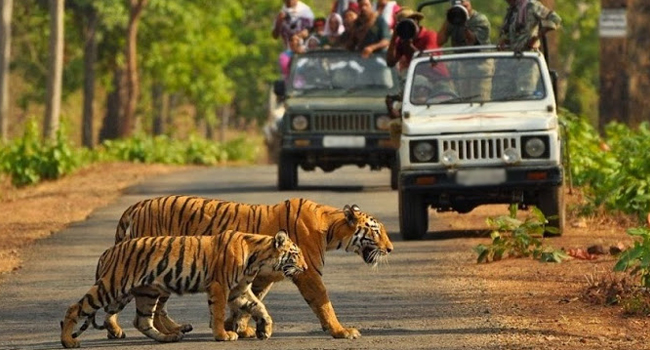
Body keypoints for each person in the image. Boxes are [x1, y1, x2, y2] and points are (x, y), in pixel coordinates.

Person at [498, 0, 561, 94]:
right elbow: (512, 33)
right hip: (511, 61)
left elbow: (555, 19)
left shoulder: (531, 5)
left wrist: (536, 38)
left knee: (525, 94)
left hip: (528, 60)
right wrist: (505, 40)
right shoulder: (512, 11)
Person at [386, 7, 438, 77]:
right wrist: (394, 36)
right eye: (403, 25)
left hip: (438, 79)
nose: (407, 27)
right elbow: (390, 62)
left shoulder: (429, 36)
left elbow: (428, 63)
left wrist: (409, 46)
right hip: (417, 81)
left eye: (409, 22)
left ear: (416, 21)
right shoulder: (402, 41)